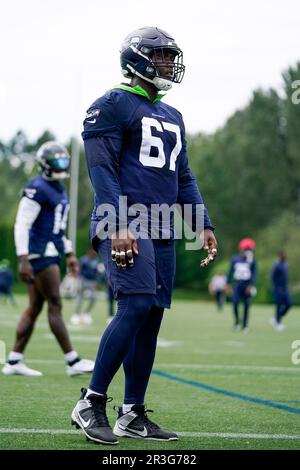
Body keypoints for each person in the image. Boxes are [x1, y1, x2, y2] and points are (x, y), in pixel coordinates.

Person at [71, 26, 217, 445]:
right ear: (137, 59)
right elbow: (101, 170)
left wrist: (202, 223)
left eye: (172, 57)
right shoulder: (113, 104)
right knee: (134, 306)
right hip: (126, 221)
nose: (170, 64)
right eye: (162, 56)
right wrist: (118, 223)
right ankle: (90, 402)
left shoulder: (173, 115)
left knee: (151, 317)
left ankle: (132, 413)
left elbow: (182, 176)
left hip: (162, 225)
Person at [2, 142, 94, 377]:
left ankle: (14, 360)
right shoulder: (38, 187)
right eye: (58, 161)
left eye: (64, 161)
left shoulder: (58, 189)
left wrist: (70, 253)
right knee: (55, 303)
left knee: (35, 307)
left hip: (50, 249)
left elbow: (57, 229)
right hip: (40, 252)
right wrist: (23, 258)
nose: (62, 165)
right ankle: (72, 361)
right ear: (46, 163)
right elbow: (21, 224)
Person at [226, 238, 257, 333]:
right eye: (246, 249)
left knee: (247, 305)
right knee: (235, 304)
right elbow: (230, 271)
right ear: (241, 249)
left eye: (249, 250)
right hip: (237, 284)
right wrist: (227, 283)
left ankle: (245, 325)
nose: (248, 252)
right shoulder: (235, 259)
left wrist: (251, 285)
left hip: (247, 285)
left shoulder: (252, 260)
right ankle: (237, 322)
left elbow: (254, 274)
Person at [71, 247, 102, 326]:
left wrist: (97, 281)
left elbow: (97, 272)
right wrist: (77, 283)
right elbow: (79, 272)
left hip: (92, 282)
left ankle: (86, 313)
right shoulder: (83, 260)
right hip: (83, 280)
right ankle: (76, 314)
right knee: (80, 298)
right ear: (89, 251)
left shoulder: (96, 260)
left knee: (93, 298)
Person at [270, 252, 292, 331]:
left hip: (285, 289)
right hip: (278, 288)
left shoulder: (286, 265)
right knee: (278, 305)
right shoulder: (276, 265)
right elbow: (272, 277)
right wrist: (275, 288)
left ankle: (277, 318)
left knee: (289, 304)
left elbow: (286, 278)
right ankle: (278, 322)